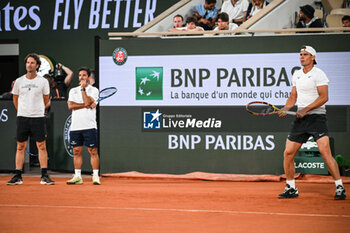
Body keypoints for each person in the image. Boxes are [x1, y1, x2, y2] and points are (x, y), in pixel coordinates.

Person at [277, 46, 346, 200]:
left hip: (317, 118)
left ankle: (340, 186)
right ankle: (291, 187)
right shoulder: (297, 74)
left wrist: (306, 109)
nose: (302, 57)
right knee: (288, 153)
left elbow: (324, 97)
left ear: (313, 57)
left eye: (305, 55)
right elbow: (293, 96)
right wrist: (286, 108)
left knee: (325, 152)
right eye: (300, 55)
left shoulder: (319, 74)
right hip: (301, 120)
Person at [7, 53, 54, 185]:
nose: (29, 65)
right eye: (28, 62)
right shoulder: (19, 81)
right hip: (22, 118)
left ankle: (44, 176)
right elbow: (15, 99)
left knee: (41, 146)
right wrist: (23, 110)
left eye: (32, 63)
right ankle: (18, 176)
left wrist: (36, 110)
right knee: (20, 146)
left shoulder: (43, 82)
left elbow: (46, 100)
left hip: (38, 118)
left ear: (37, 65)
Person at [66, 67, 101, 185]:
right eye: (80, 75)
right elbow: (70, 106)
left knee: (93, 151)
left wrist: (83, 90)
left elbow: (87, 102)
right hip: (76, 126)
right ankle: (77, 176)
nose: (81, 77)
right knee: (76, 151)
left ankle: (95, 176)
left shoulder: (94, 90)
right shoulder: (72, 91)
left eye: (84, 75)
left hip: (89, 126)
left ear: (89, 78)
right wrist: (84, 105)